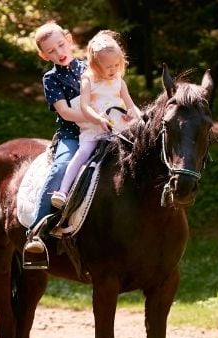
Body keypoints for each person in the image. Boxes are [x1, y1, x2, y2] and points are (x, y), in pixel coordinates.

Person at [50, 30, 140, 209]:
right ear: (95, 65)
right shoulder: (88, 80)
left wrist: (136, 116)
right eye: (108, 67)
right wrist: (98, 119)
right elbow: (84, 106)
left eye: (116, 65)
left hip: (117, 129)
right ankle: (63, 190)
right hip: (94, 129)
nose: (113, 70)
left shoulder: (119, 81)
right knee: (82, 153)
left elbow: (130, 104)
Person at [24, 22, 88, 255]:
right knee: (61, 167)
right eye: (51, 51)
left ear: (69, 40)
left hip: (103, 129)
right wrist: (94, 116)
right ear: (43, 55)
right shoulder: (51, 78)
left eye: (61, 45)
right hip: (73, 135)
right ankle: (37, 231)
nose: (59, 53)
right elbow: (65, 112)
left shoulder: (89, 68)